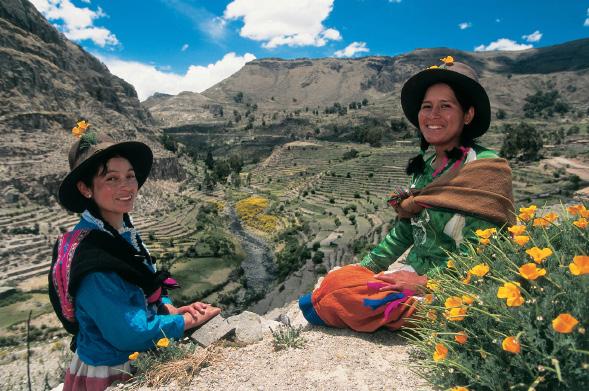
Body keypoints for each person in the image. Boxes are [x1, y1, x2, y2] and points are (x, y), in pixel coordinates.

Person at [299, 57, 515, 332]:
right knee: (337, 280)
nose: (433, 115)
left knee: (350, 297)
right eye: (427, 107)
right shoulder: (424, 169)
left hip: (457, 284)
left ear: (468, 114)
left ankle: (443, 318)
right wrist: (367, 267)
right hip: (413, 276)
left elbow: (484, 254)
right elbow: (405, 231)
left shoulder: (485, 169)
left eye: (445, 106)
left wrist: (426, 283)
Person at [48, 121, 221, 391]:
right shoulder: (93, 261)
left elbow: (143, 286)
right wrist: (186, 321)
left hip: (133, 354)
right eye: (111, 179)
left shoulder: (120, 232)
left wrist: (169, 309)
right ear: (85, 188)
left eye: (130, 176)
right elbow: (129, 333)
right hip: (111, 370)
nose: (127, 187)